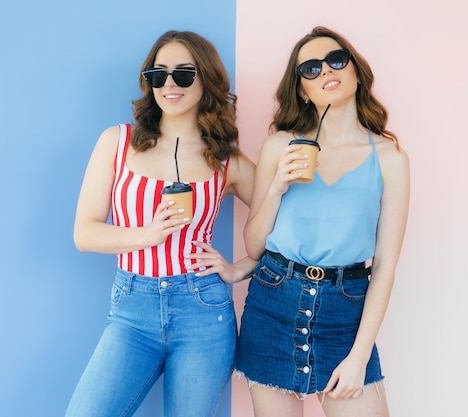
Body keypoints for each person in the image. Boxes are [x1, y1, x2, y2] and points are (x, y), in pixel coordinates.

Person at [65, 30, 256, 417]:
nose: (170, 83)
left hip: (203, 309)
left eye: (185, 73)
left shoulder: (225, 161)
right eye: (159, 74)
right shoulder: (118, 142)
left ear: (206, 80)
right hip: (132, 309)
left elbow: (286, 223)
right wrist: (148, 235)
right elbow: (84, 233)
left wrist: (240, 268)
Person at [235, 26, 410, 417]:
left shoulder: (390, 157)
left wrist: (359, 354)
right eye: (310, 69)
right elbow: (254, 246)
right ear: (301, 89)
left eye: (335, 60)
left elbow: (385, 266)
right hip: (273, 301)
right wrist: (278, 186)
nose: (325, 72)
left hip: (345, 311)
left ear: (355, 71)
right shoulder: (281, 146)